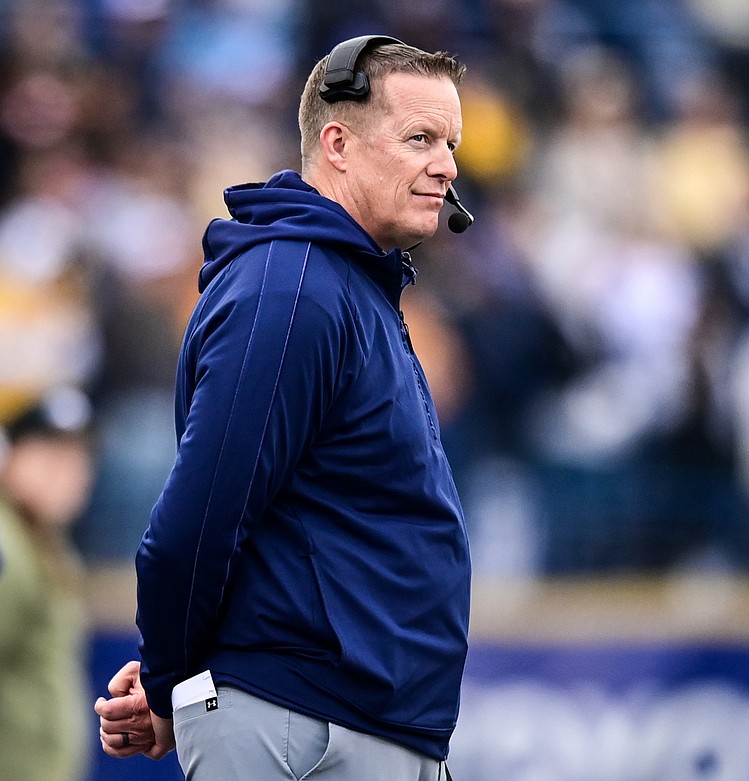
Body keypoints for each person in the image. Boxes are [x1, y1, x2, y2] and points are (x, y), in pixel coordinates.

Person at [93, 35, 472, 780]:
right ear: (338, 143)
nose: (449, 166)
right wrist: (170, 678)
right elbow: (197, 518)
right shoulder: (292, 286)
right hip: (300, 723)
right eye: (421, 138)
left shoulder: (340, 284)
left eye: (451, 143)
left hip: (353, 720)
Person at [0, 386, 95, 781]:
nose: (66, 473)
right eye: (49, 455)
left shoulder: (46, 542)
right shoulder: (7, 547)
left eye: (77, 456)